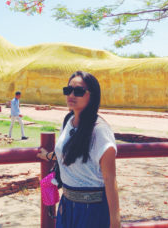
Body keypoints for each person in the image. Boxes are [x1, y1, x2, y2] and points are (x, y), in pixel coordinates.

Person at [37, 71, 120, 228]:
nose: (71, 95)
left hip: (92, 210)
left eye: (79, 91)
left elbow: (110, 179)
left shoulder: (99, 130)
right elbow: (68, 154)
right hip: (67, 205)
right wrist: (48, 156)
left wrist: (115, 222)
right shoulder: (69, 121)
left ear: (92, 95)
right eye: (68, 90)